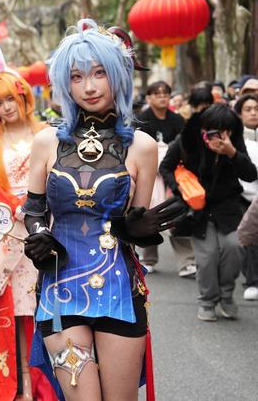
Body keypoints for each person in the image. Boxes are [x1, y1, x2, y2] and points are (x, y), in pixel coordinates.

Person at [24, 20, 184, 400]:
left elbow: (135, 220)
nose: (89, 87)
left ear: (117, 75)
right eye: (77, 77)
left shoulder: (142, 146)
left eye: (99, 73)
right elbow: (33, 208)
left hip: (119, 288)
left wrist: (136, 227)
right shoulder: (45, 141)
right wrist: (38, 236)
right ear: (65, 83)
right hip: (60, 286)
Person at [0, 39, 55, 401]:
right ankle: (23, 385)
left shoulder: (46, 134)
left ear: (23, 96)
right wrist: (17, 207)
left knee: (49, 306)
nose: (6, 108)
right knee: (17, 313)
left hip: (47, 226)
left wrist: (36, 205)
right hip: (8, 235)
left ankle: (53, 383)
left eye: (10, 99)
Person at [159, 103, 257, 321]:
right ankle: (207, 300)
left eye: (225, 131)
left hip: (228, 209)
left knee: (234, 248)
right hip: (197, 210)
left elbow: (250, 174)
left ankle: (226, 294)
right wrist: (179, 189)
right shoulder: (186, 140)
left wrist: (232, 153)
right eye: (213, 131)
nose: (219, 136)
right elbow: (165, 166)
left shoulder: (233, 142)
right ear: (203, 127)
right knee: (207, 257)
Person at [134, 80, 195, 277]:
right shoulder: (141, 119)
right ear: (149, 97)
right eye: (157, 93)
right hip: (149, 174)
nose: (162, 97)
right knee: (149, 212)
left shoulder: (177, 120)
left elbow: (185, 145)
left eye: (165, 93)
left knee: (179, 214)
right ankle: (148, 258)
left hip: (173, 172)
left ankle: (186, 261)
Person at [235, 93, 258, 300]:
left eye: (256, 109)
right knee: (248, 239)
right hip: (243, 197)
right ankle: (252, 281)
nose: (253, 113)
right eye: (248, 109)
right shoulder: (235, 138)